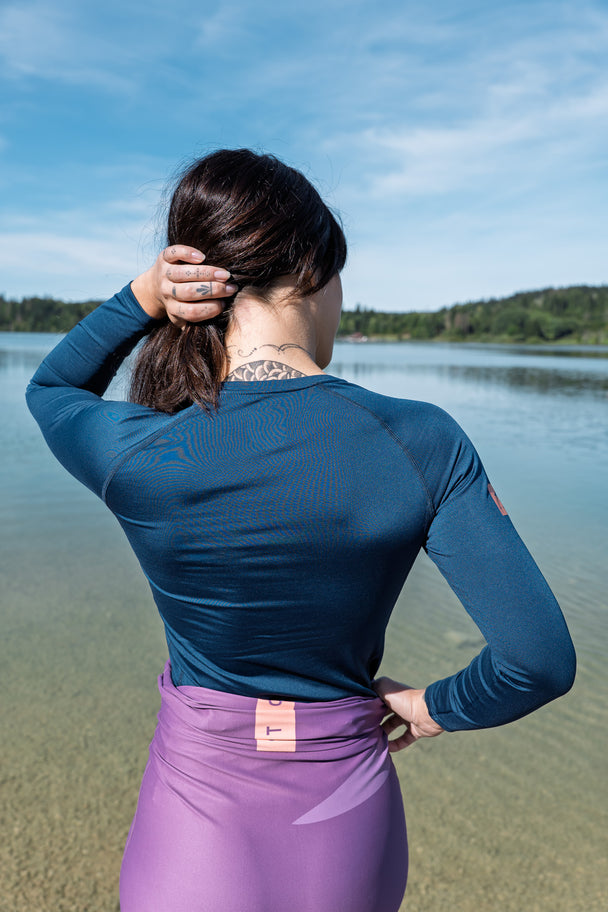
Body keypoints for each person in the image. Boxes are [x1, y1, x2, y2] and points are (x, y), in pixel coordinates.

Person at [26, 149, 576, 912]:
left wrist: (145, 296)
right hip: (345, 811)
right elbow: (536, 663)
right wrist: (433, 707)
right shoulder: (419, 440)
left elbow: (53, 386)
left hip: (194, 816)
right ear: (315, 271)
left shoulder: (139, 451)